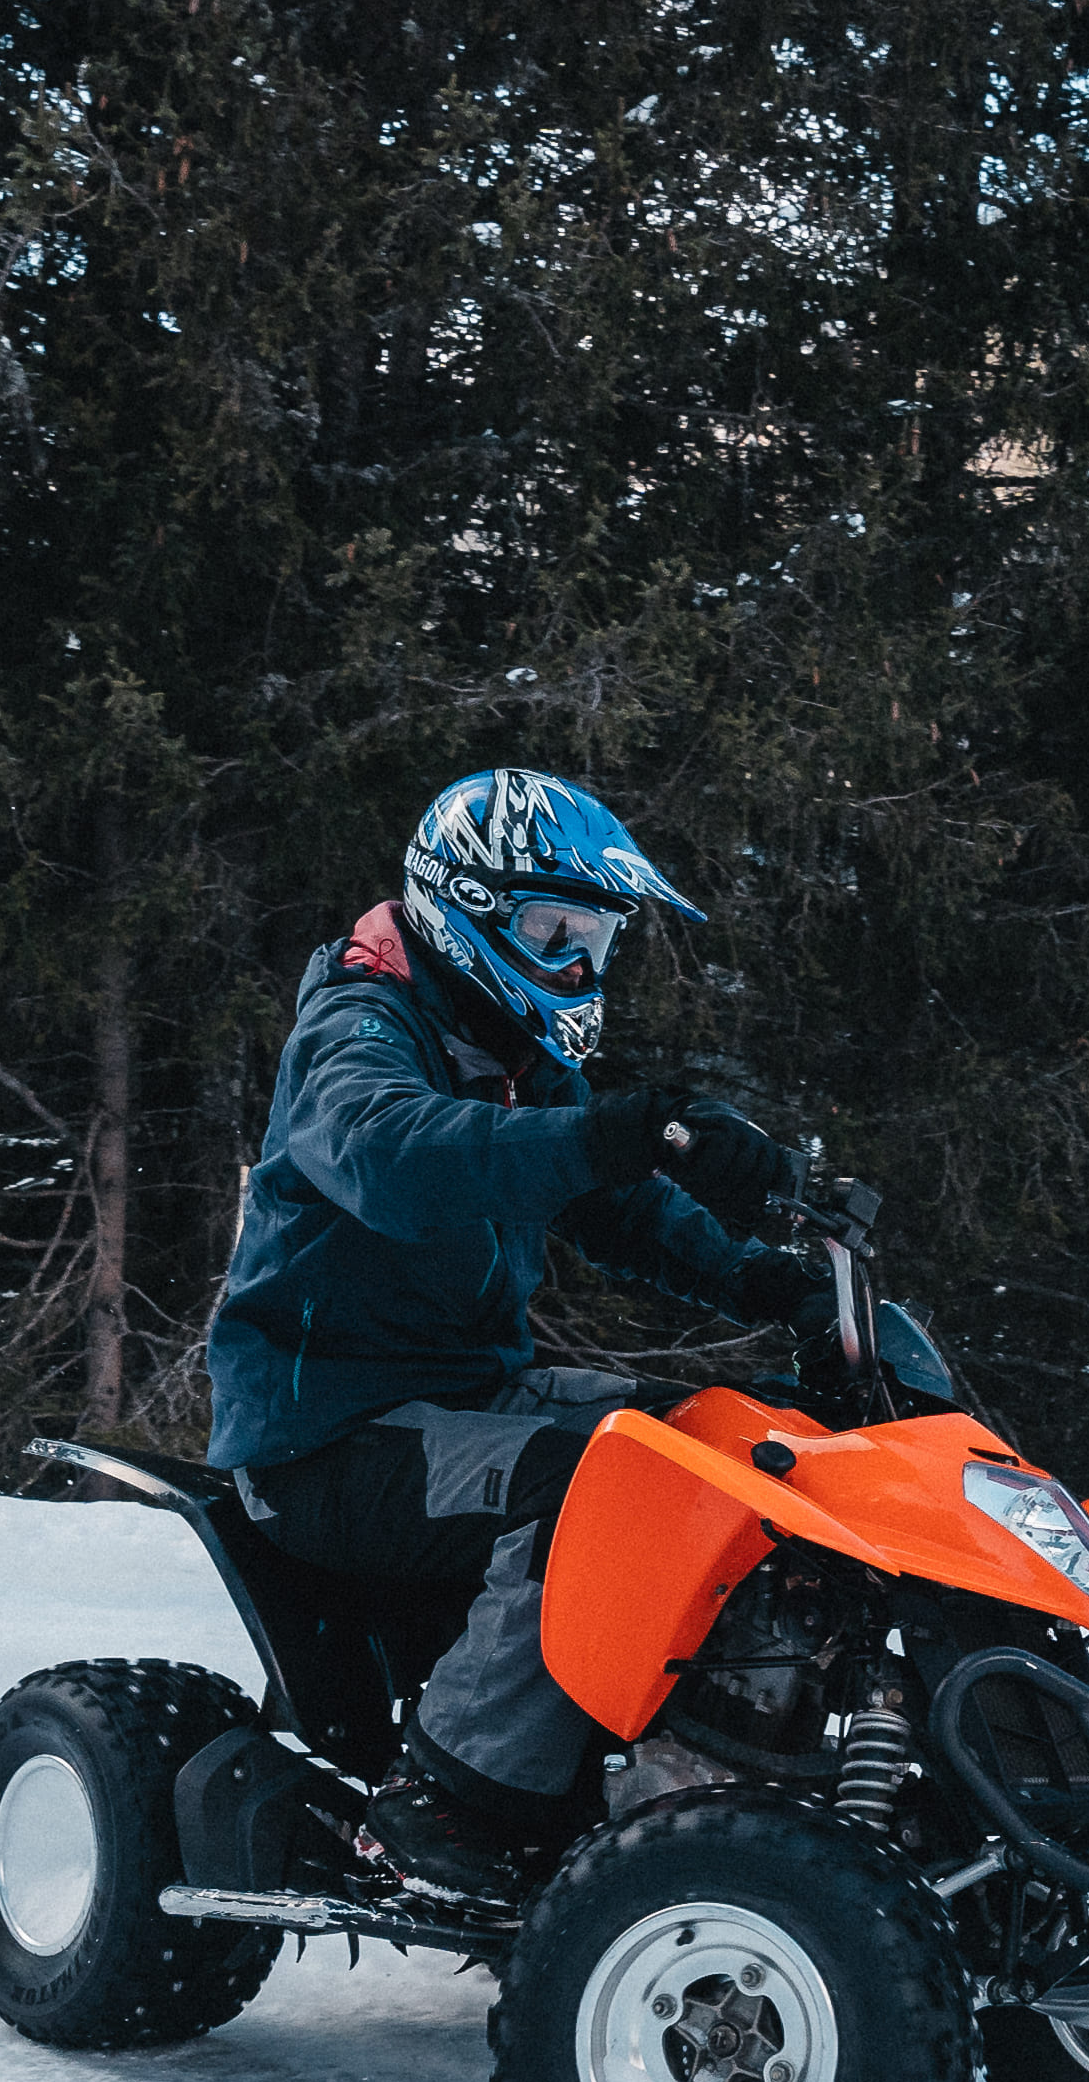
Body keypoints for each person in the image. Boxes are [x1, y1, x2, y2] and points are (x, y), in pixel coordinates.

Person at [205, 768, 815, 1894]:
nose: (581, 968)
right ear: (463, 905)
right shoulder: (359, 1025)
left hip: (460, 1399)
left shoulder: (514, 1053)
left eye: (598, 941)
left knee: (703, 1450)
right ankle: (448, 1798)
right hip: (325, 1431)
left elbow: (616, 1205)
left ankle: (694, 1755)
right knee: (595, 1482)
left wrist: (772, 1282)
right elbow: (394, 1157)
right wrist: (616, 1135)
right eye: (553, 931)